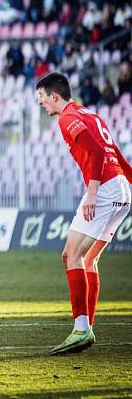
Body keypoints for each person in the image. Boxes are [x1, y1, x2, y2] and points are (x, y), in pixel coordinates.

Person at [35, 72, 132, 355]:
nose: (41, 103)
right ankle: (85, 328)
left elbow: (97, 151)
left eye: (41, 97)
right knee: (88, 258)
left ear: (54, 95)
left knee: (71, 254)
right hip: (121, 189)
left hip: (105, 190)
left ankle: (81, 329)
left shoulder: (67, 119)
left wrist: (91, 194)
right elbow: (112, 149)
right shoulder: (90, 114)